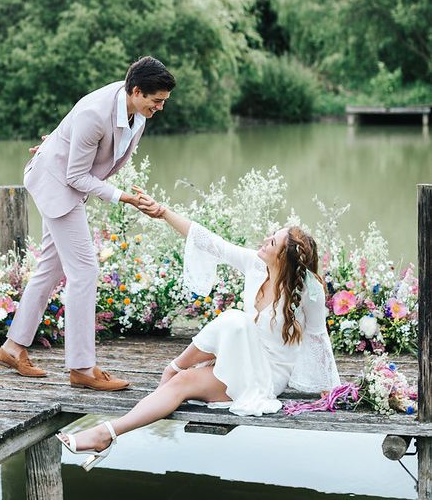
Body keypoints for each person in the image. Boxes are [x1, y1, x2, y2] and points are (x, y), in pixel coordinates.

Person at [57, 190, 340, 470]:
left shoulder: (309, 290)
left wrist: (330, 390)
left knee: (233, 320)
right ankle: (106, 434)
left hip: (266, 377)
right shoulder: (256, 265)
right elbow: (210, 242)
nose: (265, 240)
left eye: (273, 241)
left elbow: (318, 338)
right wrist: (163, 212)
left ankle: (173, 367)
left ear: (284, 257)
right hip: (240, 357)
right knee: (185, 382)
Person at [0, 57, 176, 391]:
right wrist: (123, 197)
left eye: (163, 101)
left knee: (50, 269)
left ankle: (12, 347)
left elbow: (81, 139)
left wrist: (58, 143)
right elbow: (76, 174)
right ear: (136, 91)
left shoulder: (136, 110)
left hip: (67, 179)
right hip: (58, 186)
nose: (160, 107)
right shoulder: (95, 114)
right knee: (84, 272)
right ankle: (81, 368)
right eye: (156, 101)